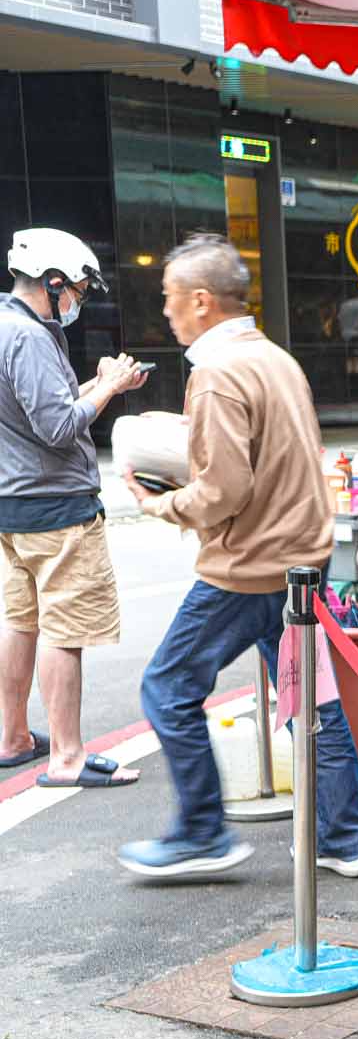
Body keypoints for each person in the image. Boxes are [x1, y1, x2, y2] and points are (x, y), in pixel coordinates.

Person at [118, 233, 358, 879]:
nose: (166, 310)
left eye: (170, 297)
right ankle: (345, 838)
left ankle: (202, 832)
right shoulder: (276, 359)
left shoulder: (216, 374)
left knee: (167, 687)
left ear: (202, 301)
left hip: (249, 568)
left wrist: (160, 503)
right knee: (309, 701)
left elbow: (224, 490)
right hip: (301, 561)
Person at [0, 227, 148, 786]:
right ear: (54, 281)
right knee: (63, 630)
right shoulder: (29, 338)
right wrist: (107, 390)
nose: (79, 302)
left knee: (21, 622)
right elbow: (59, 427)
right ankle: (66, 759)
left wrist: (105, 382)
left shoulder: (7, 325)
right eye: (79, 291)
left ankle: (13, 737)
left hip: (14, 505)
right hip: (56, 507)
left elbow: (41, 408)